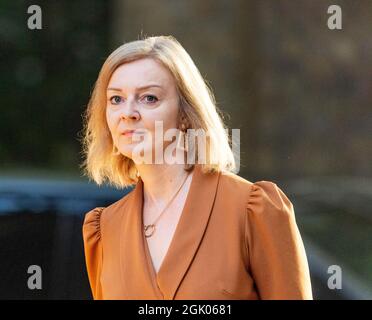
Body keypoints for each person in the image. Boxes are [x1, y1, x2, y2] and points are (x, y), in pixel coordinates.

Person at [80, 35, 313, 300]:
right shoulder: (105, 229)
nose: (128, 113)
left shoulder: (253, 209)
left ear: (184, 114)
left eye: (149, 98)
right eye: (116, 99)